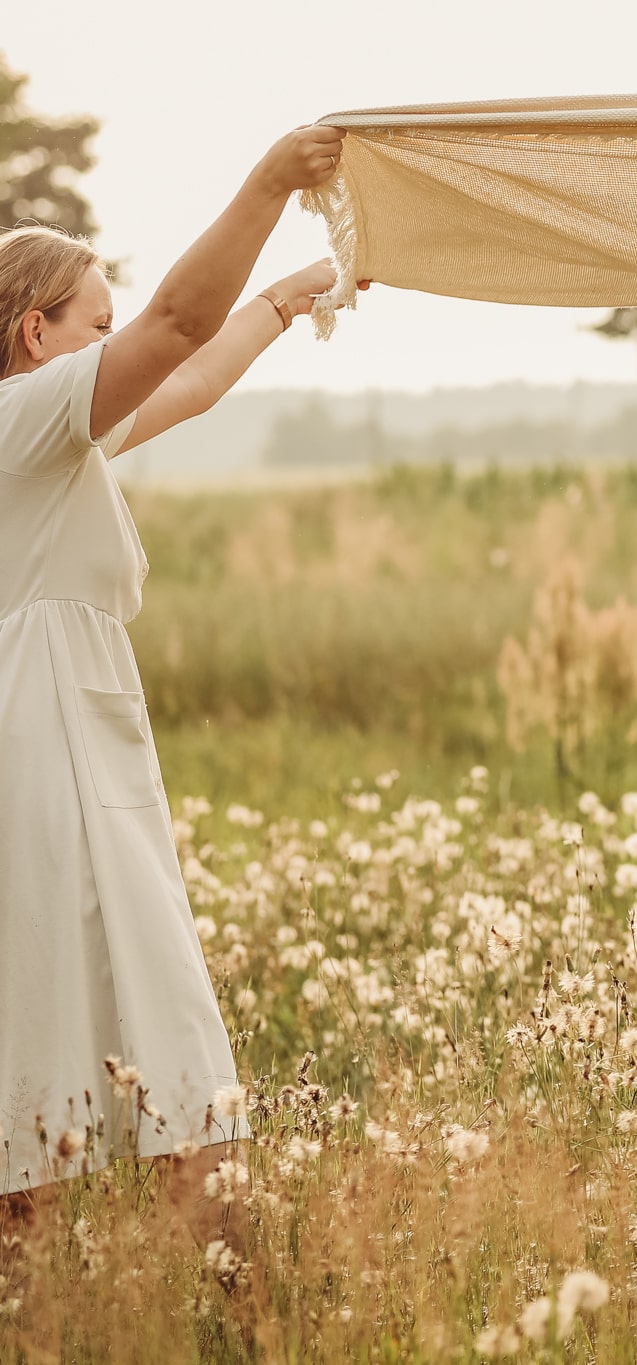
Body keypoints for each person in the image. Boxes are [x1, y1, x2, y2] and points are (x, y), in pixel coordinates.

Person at [0, 125, 345, 1220]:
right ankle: (227, 1286)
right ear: (32, 331)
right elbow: (176, 327)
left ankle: (182, 1289)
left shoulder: (55, 437)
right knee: (105, 1027)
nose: (120, 344)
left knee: (81, 1021)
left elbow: (188, 375)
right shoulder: (23, 417)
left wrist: (290, 299)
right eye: (98, 328)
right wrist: (271, 182)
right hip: (42, 751)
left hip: (69, 747)